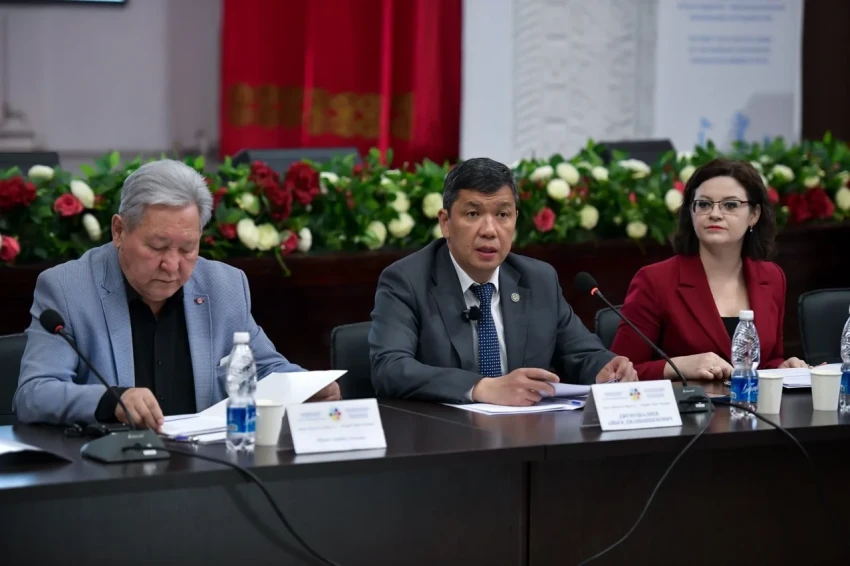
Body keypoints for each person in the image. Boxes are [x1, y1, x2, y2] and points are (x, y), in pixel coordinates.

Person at [14, 159, 339, 429]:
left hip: (206, 468)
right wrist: (111, 400)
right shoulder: (67, 289)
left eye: (187, 249)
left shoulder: (224, 285)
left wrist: (307, 387)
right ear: (119, 231)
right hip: (110, 468)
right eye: (157, 247)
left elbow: (265, 369)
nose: (172, 265)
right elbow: (33, 394)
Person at [369, 157, 637, 406]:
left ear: (515, 220)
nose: (489, 230)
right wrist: (481, 387)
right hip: (445, 434)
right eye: (473, 214)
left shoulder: (538, 280)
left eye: (502, 215)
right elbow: (389, 368)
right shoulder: (406, 281)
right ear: (445, 222)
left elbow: (582, 353)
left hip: (528, 432)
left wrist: (607, 367)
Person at [610, 158, 807, 382]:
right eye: (704, 204)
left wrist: (781, 367)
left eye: (730, 205)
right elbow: (618, 373)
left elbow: (766, 360)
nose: (715, 213)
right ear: (691, 212)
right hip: (687, 403)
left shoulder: (772, 277)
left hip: (752, 403)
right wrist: (677, 366)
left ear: (754, 215)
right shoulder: (655, 280)